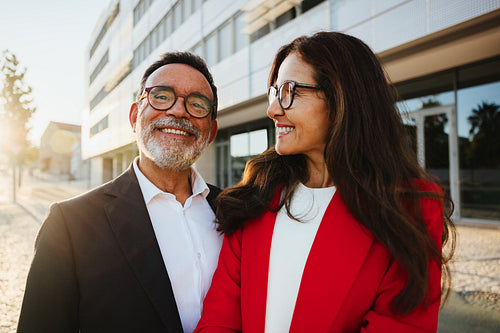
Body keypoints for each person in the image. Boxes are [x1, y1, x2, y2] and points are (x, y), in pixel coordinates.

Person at [195, 32, 455, 333]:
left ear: (343, 99)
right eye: (274, 92)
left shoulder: (410, 206)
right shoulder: (255, 198)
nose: (273, 109)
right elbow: (218, 322)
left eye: (290, 91)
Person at [18, 51, 222, 333]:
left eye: (197, 104)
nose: (178, 110)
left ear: (211, 131)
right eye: (161, 96)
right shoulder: (69, 224)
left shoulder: (234, 211)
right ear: (135, 117)